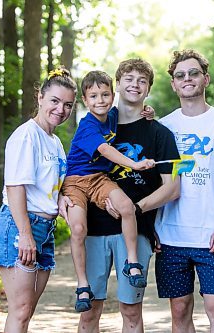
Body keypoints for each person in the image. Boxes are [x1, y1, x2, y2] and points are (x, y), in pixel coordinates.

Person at [75, 59, 181, 332]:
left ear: (148, 90)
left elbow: (172, 188)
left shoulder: (160, 133)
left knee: (131, 312)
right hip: (94, 229)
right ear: (118, 84)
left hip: (135, 231)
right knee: (89, 313)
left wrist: (134, 209)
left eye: (142, 80)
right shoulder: (98, 122)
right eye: (129, 79)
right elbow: (75, 170)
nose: (135, 84)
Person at [154, 49, 214, 333]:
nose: (187, 79)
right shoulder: (163, 127)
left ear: (205, 79)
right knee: (179, 311)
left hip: (213, 236)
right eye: (180, 75)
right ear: (173, 84)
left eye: (193, 73)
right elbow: (154, 182)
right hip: (171, 236)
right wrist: (151, 227)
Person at [0, 68, 76, 333]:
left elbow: (49, 186)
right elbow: (15, 187)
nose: (61, 109)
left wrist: (60, 200)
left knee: (26, 312)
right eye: (55, 101)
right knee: (20, 311)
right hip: (20, 227)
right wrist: (26, 235)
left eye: (68, 105)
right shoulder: (26, 136)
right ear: (40, 97)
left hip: (44, 230)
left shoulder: (55, 141)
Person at [61, 70, 156, 313]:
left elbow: (133, 108)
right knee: (79, 228)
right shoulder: (88, 126)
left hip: (99, 179)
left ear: (112, 96)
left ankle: (132, 262)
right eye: (93, 96)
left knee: (126, 207)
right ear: (85, 100)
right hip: (75, 181)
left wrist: (149, 112)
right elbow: (105, 150)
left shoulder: (112, 115)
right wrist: (134, 164)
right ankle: (83, 284)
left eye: (105, 95)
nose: (100, 100)